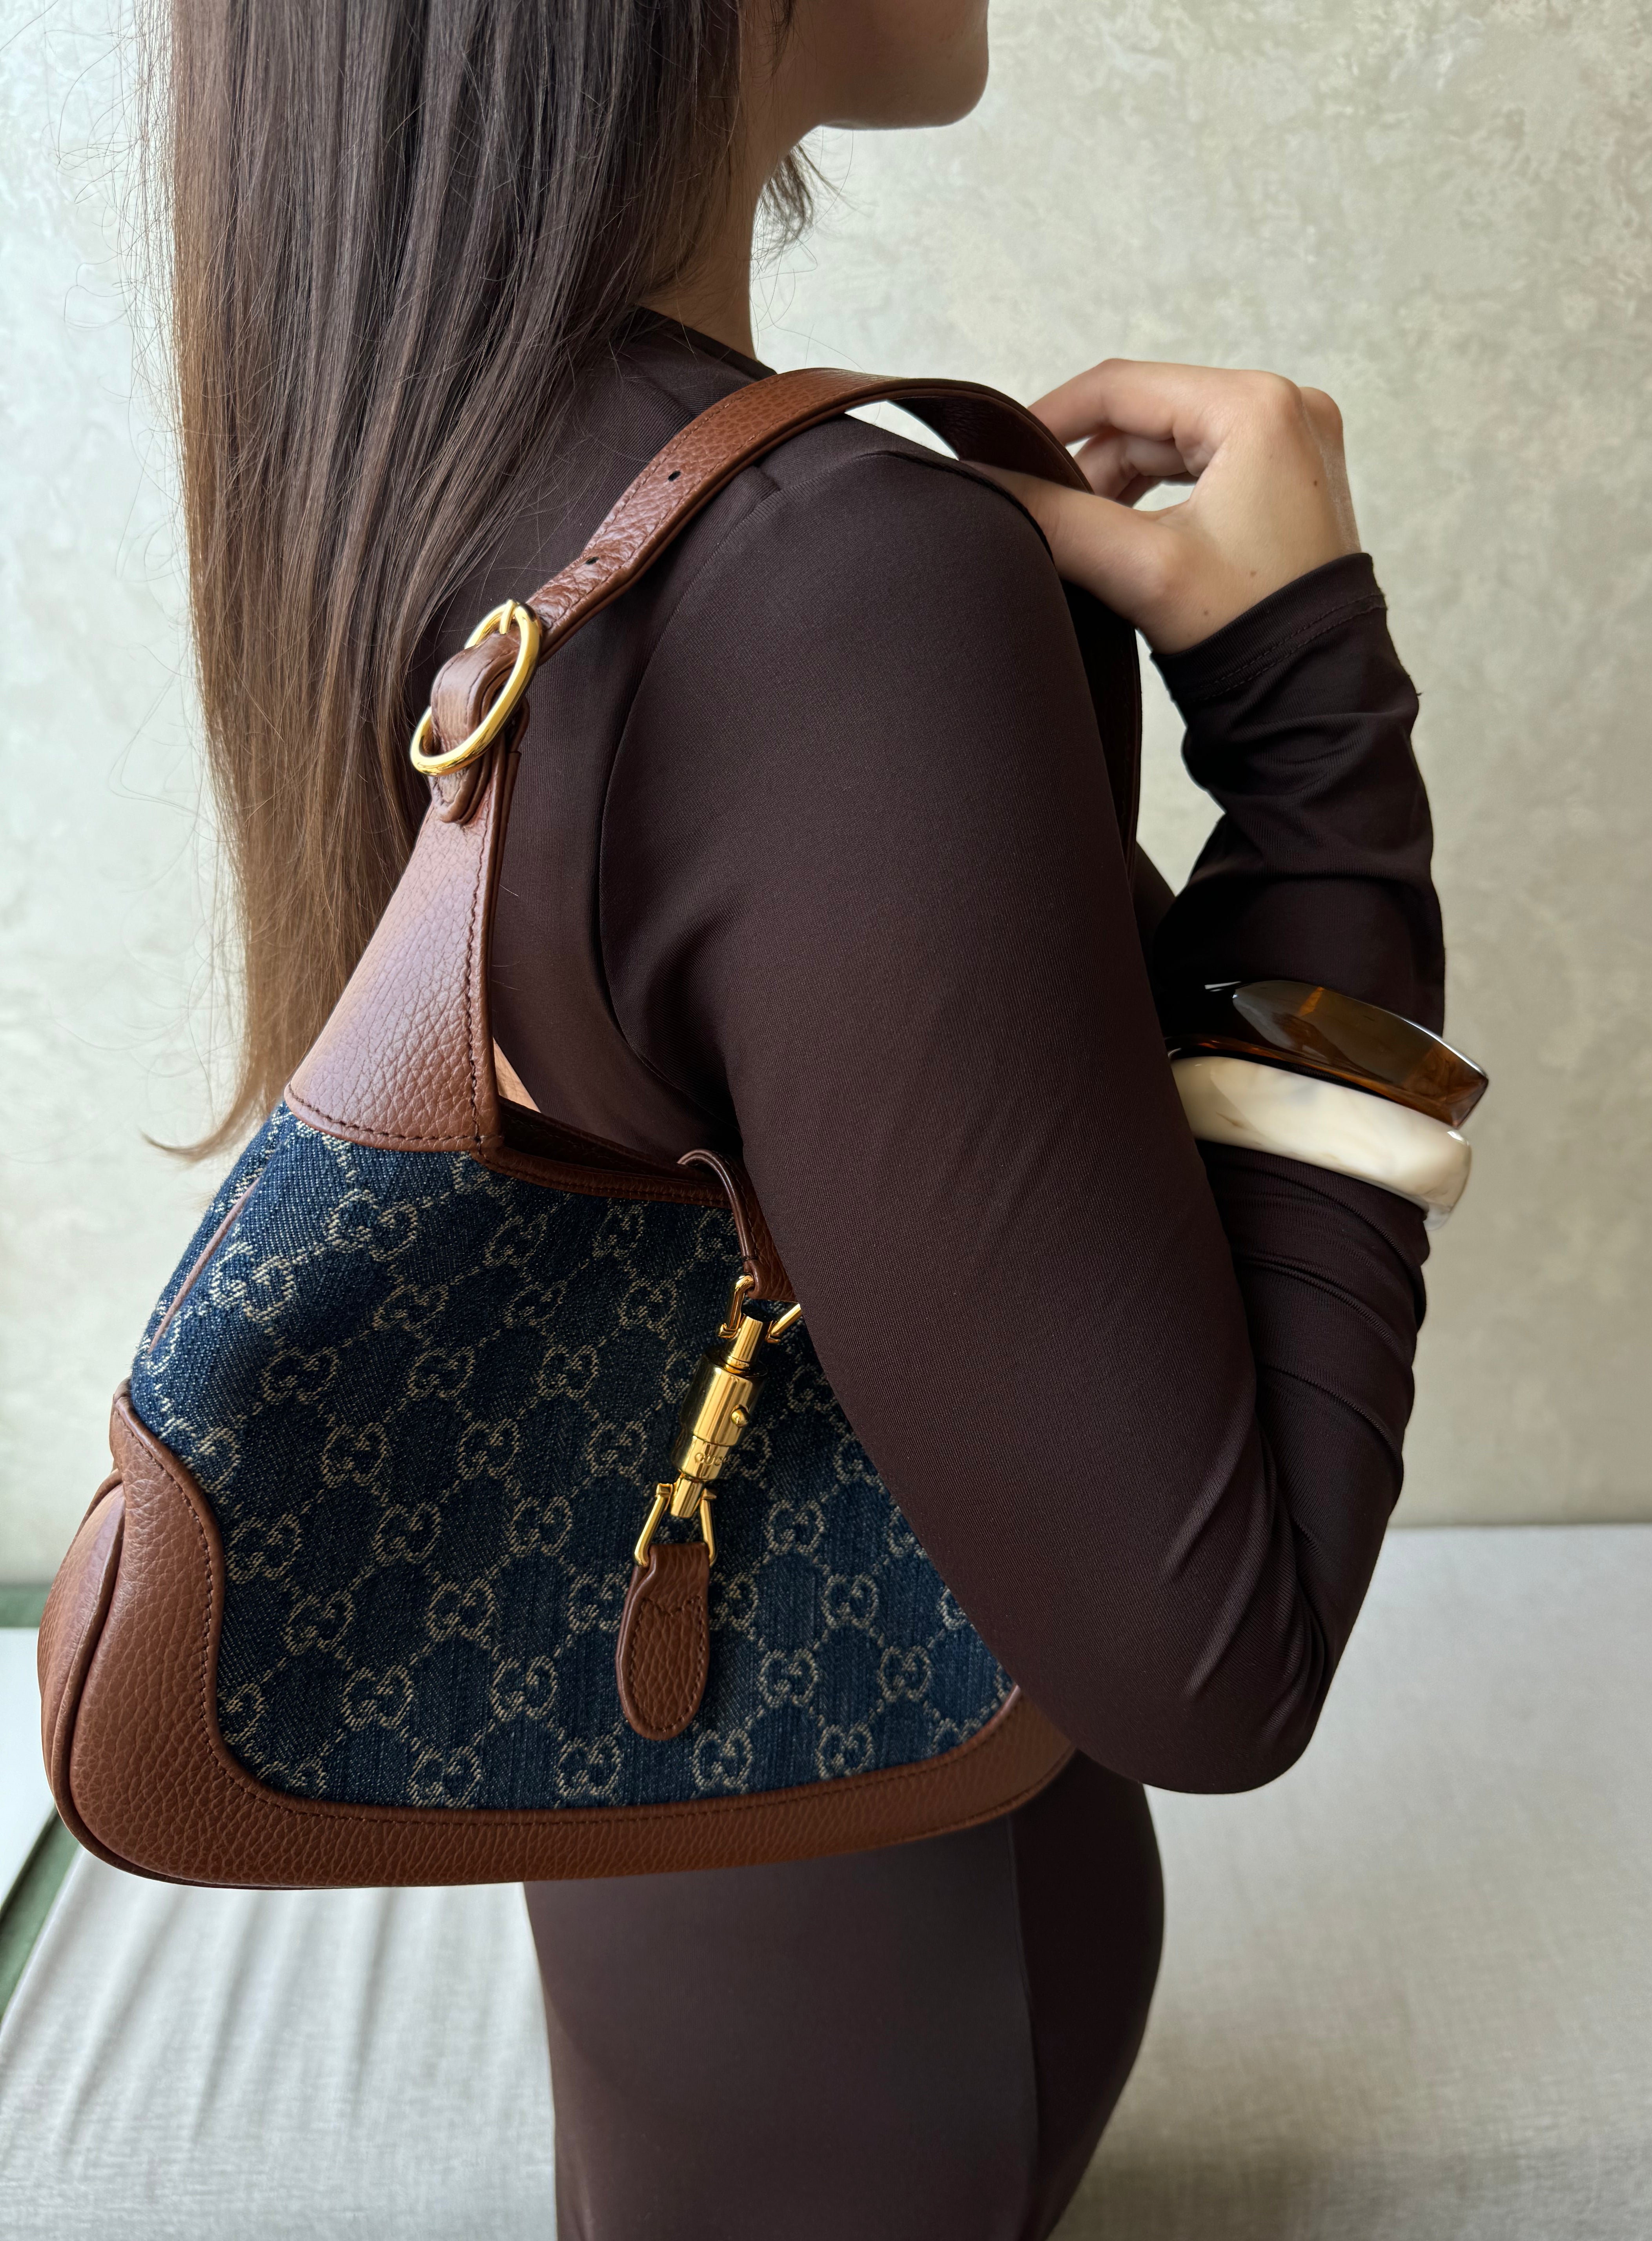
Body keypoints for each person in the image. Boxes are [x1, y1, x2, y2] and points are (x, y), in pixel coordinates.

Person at [162, 3, 1444, 2233]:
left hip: (681, 1915)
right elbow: (1223, 1665)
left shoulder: (406, 450)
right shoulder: (821, 579)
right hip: (900, 2079)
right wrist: (1317, 719)